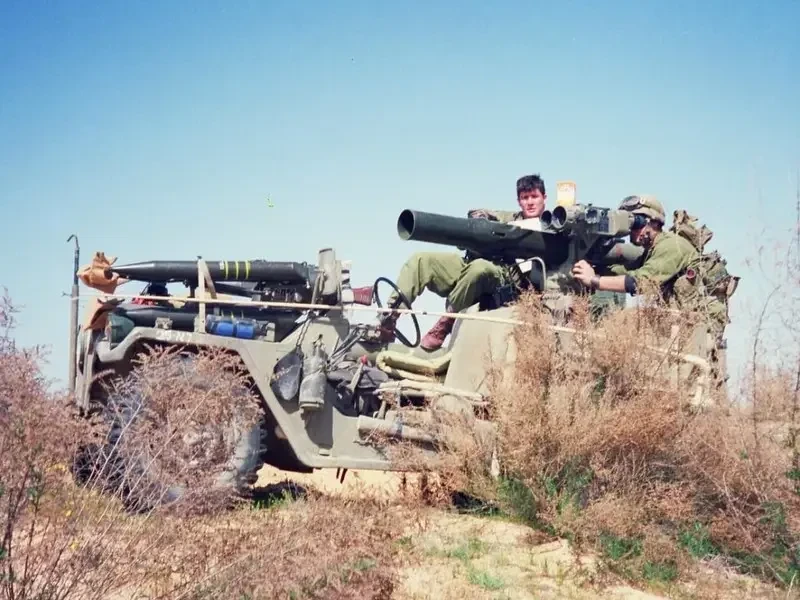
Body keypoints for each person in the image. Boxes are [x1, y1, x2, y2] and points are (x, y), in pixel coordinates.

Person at [352, 174, 548, 350]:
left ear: (544, 198)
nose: (530, 202)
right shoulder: (511, 219)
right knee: (421, 260)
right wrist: (480, 217)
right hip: (477, 262)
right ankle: (389, 318)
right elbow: (481, 213)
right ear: (519, 201)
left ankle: (446, 323)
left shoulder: (551, 227)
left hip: (505, 276)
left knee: (479, 269)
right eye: (525, 198)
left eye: (534, 197)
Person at [571, 194, 728, 337]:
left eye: (636, 223)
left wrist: (594, 280)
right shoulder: (651, 251)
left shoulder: (672, 246)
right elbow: (624, 271)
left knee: (624, 322)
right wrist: (588, 270)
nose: (631, 231)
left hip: (701, 327)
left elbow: (640, 282)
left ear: (654, 222)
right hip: (682, 323)